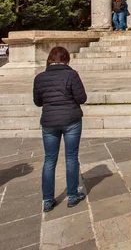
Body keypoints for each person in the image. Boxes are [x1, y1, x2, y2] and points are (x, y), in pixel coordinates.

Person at [33, 46, 87, 213]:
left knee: (49, 160)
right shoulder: (71, 75)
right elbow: (81, 98)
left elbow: (38, 102)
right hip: (71, 120)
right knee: (71, 157)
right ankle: (72, 196)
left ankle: (47, 200)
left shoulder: (40, 78)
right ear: (66, 59)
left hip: (49, 122)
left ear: (49, 59)